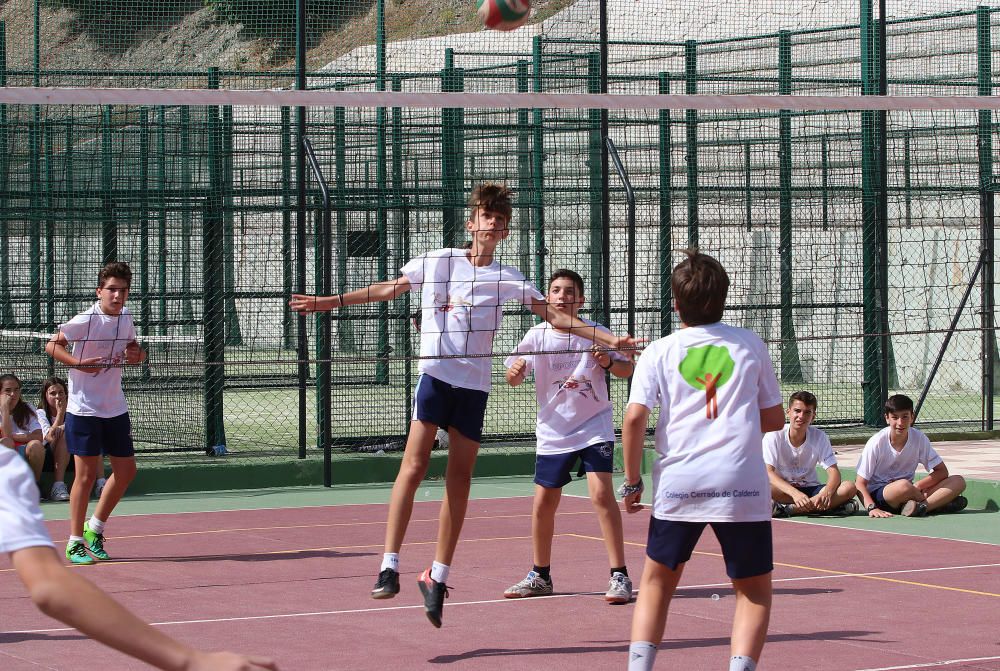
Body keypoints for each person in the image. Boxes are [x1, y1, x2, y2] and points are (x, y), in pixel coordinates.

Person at [289, 183, 640, 628]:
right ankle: (389, 564)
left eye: (500, 219)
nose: (492, 222)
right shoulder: (437, 261)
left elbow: (555, 315)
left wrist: (610, 339)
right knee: (413, 467)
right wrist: (329, 302)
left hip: (473, 388)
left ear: (506, 231)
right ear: (471, 222)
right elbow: (388, 289)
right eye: (486, 215)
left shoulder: (507, 277)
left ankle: (438, 577)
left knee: (459, 480)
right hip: (436, 377)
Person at [620, 249, 785, 671]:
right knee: (752, 591)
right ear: (725, 299)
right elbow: (774, 418)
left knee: (657, 584)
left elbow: (635, 416)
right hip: (741, 483)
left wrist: (633, 480)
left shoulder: (659, 351)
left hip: (681, 482)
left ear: (675, 303)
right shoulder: (750, 343)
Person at [1, 445, 278, 671]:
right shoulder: (6, 469)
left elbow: (50, 587)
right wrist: (191, 661)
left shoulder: (7, 470)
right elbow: (49, 584)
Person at [501, 269, 635, 604]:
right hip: (553, 429)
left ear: (581, 299)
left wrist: (606, 363)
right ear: (547, 299)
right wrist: (514, 372)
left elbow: (626, 368)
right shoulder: (536, 336)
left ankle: (619, 575)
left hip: (594, 424)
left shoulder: (596, 333)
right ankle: (540, 574)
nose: (562, 296)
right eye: (556, 291)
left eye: (570, 291)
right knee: (543, 503)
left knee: (601, 493)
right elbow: (512, 376)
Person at [45, 261, 146, 565]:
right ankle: (74, 541)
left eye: (123, 290)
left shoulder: (126, 317)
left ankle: (95, 527)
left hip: (115, 407)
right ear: (100, 291)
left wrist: (137, 356)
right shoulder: (86, 319)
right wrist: (78, 364)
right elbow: (52, 345)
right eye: (112, 289)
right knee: (86, 475)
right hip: (84, 409)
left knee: (126, 472)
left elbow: (134, 352)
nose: (117, 295)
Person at [855, 394, 968, 518]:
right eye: (895, 417)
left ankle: (921, 507)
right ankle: (939, 503)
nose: (900, 423)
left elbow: (942, 472)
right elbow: (859, 483)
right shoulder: (876, 442)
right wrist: (872, 508)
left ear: (912, 417)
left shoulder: (919, 438)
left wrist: (918, 486)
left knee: (958, 481)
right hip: (883, 494)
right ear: (887, 418)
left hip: (911, 491)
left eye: (905, 417)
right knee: (903, 486)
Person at [764, 390, 859, 517]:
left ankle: (788, 509)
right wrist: (795, 494)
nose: (801, 416)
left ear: (813, 416)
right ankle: (827, 507)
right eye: (797, 411)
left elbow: (834, 472)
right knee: (763, 488)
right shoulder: (773, 435)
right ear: (788, 412)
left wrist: (826, 494)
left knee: (849, 487)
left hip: (812, 491)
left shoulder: (820, 437)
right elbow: (768, 473)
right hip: (784, 491)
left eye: (807, 412)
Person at [0, 373, 46, 488]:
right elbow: (6, 439)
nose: (13, 394)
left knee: (36, 445)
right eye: (8, 390)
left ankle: (35, 486)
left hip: (25, 449)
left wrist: (13, 436)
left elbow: (39, 436)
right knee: (6, 443)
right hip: (5, 451)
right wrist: (5, 409)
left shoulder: (28, 408)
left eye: (16, 390)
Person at [35, 376, 72, 501]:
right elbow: (49, 438)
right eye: (53, 393)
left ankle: (100, 483)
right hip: (49, 456)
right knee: (63, 434)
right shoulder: (40, 413)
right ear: (45, 396)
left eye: (61, 392)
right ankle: (58, 486)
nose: (58, 396)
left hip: (74, 453)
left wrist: (65, 425)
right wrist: (60, 413)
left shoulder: (74, 411)